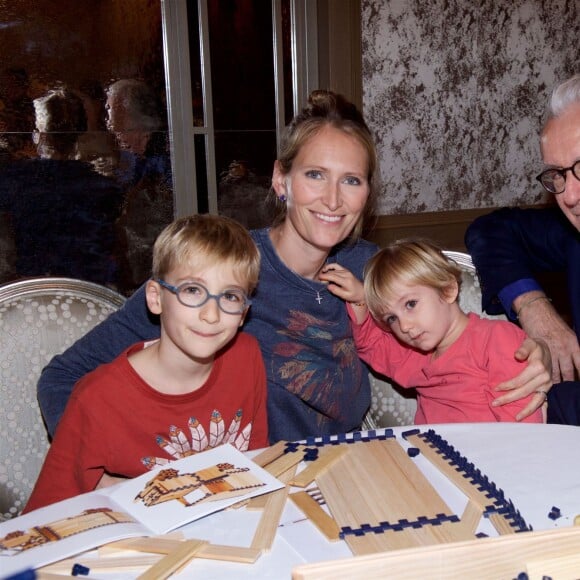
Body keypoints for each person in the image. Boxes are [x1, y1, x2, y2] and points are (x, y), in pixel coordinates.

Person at [37, 90, 550, 444]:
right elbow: (63, 377)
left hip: (356, 474)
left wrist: (530, 360)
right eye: (315, 175)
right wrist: (115, 470)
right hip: (255, 489)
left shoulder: (374, 271)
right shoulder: (224, 273)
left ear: (368, 194)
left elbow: (459, 342)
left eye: (352, 180)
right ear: (281, 180)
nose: (332, 198)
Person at [23, 214, 268, 512]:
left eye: (230, 296)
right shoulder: (97, 399)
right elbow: (44, 519)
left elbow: (255, 466)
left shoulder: (246, 357)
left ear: (243, 313)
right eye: (192, 290)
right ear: (155, 298)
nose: (211, 315)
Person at [465, 74, 580, 424]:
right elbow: (489, 230)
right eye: (558, 175)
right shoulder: (569, 237)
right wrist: (533, 306)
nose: (569, 196)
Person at [342, 239, 543, 424]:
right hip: (428, 455)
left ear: (447, 290)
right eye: (392, 318)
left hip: (490, 458)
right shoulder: (413, 356)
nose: (404, 326)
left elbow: (521, 423)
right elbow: (373, 344)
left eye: (410, 304)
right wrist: (360, 300)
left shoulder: (496, 340)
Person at [0, 88, 122, 284]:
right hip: (92, 290)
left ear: (39, 134)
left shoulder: (13, 180)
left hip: (33, 290)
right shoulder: (104, 185)